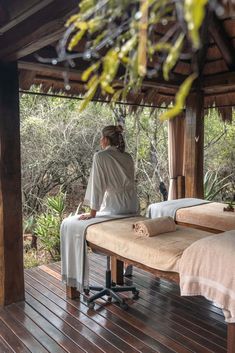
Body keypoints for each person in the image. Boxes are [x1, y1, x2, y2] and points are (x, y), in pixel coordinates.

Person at [79, 125, 139, 219]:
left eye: (101, 137)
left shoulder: (100, 156)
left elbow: (97, 185)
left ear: (106, 139)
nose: (100, 140)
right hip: (133, 205)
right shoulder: (128, 156)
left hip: (114, 207)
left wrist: (92, 213)